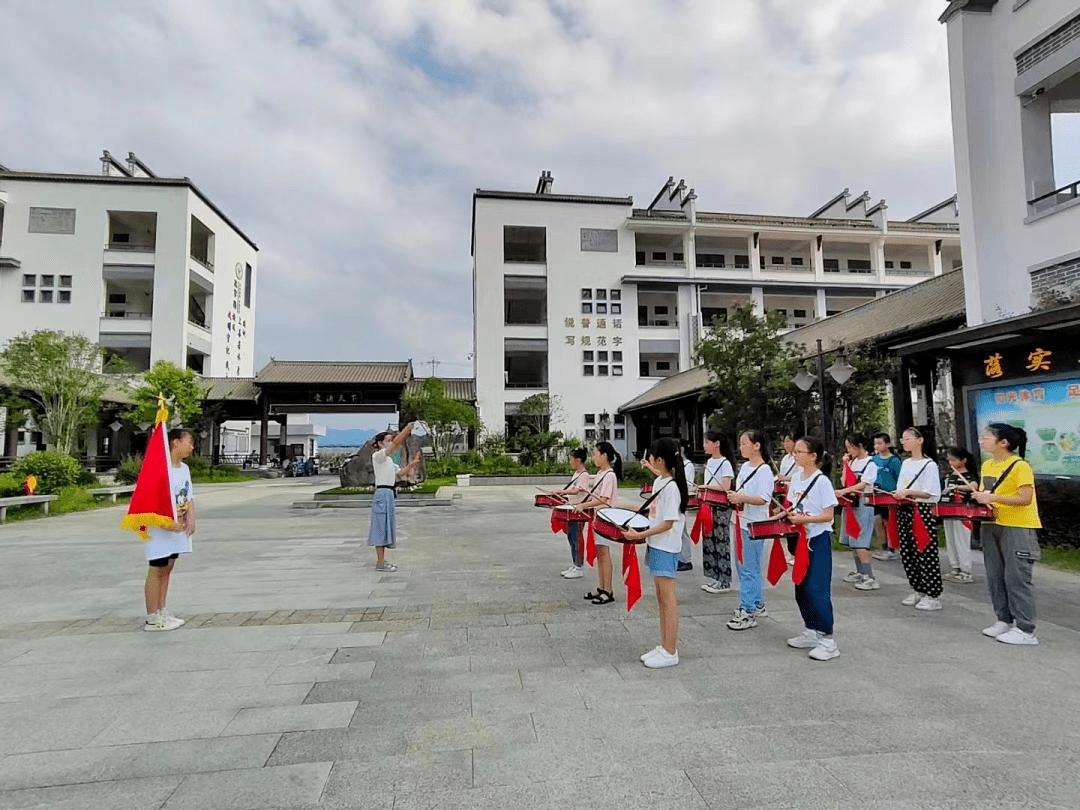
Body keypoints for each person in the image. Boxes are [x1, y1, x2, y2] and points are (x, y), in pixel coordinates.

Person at [969, 423, 1041, 645]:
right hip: (992, 524)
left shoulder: (1020, 466)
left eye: (987, 437)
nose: (983, 440)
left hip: (1017, 526)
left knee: (1016, 577)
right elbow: (988, 493)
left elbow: (1025, 498)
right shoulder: (987, 464)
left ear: (1004, 443)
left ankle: (1026, 629)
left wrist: (992, 499)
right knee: (995, 575)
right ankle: (1003, 619)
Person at [624, 437, 688, 669]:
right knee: (661, 599)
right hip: (656, 543)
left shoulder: (670, 487)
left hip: (666, 546)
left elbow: (669, 522)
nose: (649, 459)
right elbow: (656, 512)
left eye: (651, 456)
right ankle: (664, 645)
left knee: (667, 599)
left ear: (659, 459)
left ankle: (671, 651)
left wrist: (639, 535)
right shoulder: (662, 480)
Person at [783, 437, 841, 661]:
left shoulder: (822, 481)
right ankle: (810, 629)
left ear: (813, 456)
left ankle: (828, 640)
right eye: (795, 451)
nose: (795, 455)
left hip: (818, 537)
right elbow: (791, 508)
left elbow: (828, 515)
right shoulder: (796, 478)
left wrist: (805, 520)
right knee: (801, 586)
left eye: (799, 451)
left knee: (818, 588)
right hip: (801, 538)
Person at [143, 429, 196, 632]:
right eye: (189, 442)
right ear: (175, 442)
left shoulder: (183, 469)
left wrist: (191, 518)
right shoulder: (157, 468)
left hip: (178, 527)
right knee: (156, 569)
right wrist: (166, 523)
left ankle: (162, 609)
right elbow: (147, 501)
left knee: (168, 567)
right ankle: (152, 617)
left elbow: (189, 496)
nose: (192, 447)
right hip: (159, 529)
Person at [725, 430, 776, 630]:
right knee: (743, 566)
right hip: (740, 521)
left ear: (757, 445)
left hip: (755, 524)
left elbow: (764, 498)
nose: (741, 447)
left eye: (744, 443)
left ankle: (746, 611)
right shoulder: (745, 466)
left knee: (749, 568)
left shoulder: (764, 471)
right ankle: (756, 603)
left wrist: (741, 498)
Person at [893, 427, 944, 611]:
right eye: (902, 439)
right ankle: (918, 588)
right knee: (907, 551)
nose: (904, 442)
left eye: (907, 438)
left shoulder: (929, 465)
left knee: (925, 550)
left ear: (919, 440)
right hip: (904, 507)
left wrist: (909, 492)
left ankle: (933, 594)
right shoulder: (905, 463)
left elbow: (931, 493)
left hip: (921, 510)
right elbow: (901, 486)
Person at [368, 424, 423, 572]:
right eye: (387, 440)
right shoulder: (378, 456)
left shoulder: (390, 461)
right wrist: (406, 430)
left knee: (386, 527)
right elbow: (396, 444)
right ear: (380, 443)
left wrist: (413, 463)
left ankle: (382, 560)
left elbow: (402, 473)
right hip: (382, 493)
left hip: (389, 494)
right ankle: (380, 562)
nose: (390, 442)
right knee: (380, 527)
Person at [576, 441, 622, 605]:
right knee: (600, 554)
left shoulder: (609, 475)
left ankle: (608, 591)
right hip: (599, 518)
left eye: (595, 454)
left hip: (606, 519)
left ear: (604, 456)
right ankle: (602, 588)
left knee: (604, 555)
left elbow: (603, 499)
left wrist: (583, 505)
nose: (593, 457)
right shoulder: (601, 474)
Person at [836, 434, 881, 591]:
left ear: (859, 445)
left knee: (860, 540)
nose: (848, 450)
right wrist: (845, 464)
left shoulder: (870, 463)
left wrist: (844, 491)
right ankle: (860, 571)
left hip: (863, 503)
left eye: (850, 447)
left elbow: (863, 484)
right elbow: (844, 480)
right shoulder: (853, 461)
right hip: (850, 503)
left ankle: (870, 576)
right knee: (852, 539)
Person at [698, 431, 735, 594]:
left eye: (707, 442)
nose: (704, 445)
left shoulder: (725, 463)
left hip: (720, 506)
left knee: (721, 542)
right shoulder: (709, 461)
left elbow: (726, 487)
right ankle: (715, 577)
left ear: (717, 444)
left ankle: (724, 581)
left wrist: (705, 487)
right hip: (708, 505)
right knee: (709, 541)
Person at [552, 448, 590, 580]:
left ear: (578, 459)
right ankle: (575, 564)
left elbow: (579, 490)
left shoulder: (584, 475)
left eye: (571, 459)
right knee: (571, 537)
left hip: (578, 511)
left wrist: (563, 492)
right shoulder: (577, 474)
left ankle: (579, 567)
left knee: (576, 538)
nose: (570, 462)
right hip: (572, 509)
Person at [942, 446, 978, 584]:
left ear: (963, 460)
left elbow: (973, 486)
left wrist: (959, 487)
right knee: (951, 540)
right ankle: (955, 567)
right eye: (949, 460)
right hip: (949, 510)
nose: (951, 463)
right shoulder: (949, 476)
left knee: (961, 540)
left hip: (963, 512)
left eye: (953, 460)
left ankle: (965, 571)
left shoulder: (968, 475)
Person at [870, 433, 903, 561]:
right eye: (875, 444)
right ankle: (883, 547)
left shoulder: (894, 460)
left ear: (887, 444)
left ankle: (891, 548)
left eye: (880, 443)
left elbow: (900, 477)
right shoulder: (873, 460)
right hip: (876, 495)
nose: (877, 446)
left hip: (891, 495)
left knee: (889, 521)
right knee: (878, 521)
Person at [677, 440, 697, 572]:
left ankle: (686, 558)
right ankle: (680, 557)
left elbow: (687, 483)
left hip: (682, 498)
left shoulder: (687, 465)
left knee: (682, 530)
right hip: (677, 497)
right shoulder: (679, 464)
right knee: (678, 529)